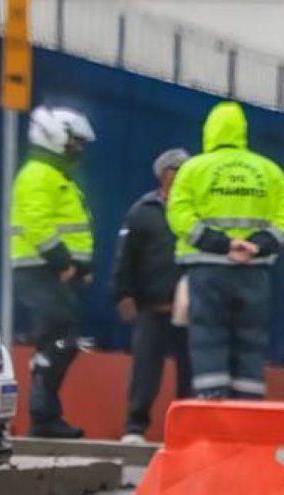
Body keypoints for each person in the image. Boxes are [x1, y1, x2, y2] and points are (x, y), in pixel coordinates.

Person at [167, 101, 284, 399]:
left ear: (209, 131)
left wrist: (222, 244)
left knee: (208, 340)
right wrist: (259, 244)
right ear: (243, 132)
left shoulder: (193, 169)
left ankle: (212, 410)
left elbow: (179, 215)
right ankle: (247, 411)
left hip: (207, 270)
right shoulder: (269, 171)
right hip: (255, 273)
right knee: (250, 343)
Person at [11, 106, 96, 438]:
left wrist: (80, 268)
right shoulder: (38, 174)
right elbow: (38, 224)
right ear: (56, 137)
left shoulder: (54, 176)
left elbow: (71, 228)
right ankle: (43, 416)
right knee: (61, 340)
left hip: (52, 273)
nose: (79, 149)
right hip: (41, 272)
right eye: (74, 141)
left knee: (60, 340)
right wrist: (64, 263)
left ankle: (45, 415)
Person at [112, 148, 193, 443]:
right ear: (163, 175)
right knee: (145, 371)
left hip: (188, 310)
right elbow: (126, 258)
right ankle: (135, 427)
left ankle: (186, 430)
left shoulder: (198, 210)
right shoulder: (142, 211)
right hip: (152, 307)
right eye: (174, 170)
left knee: (191, 372)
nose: (179, 175)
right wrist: (124, 294)